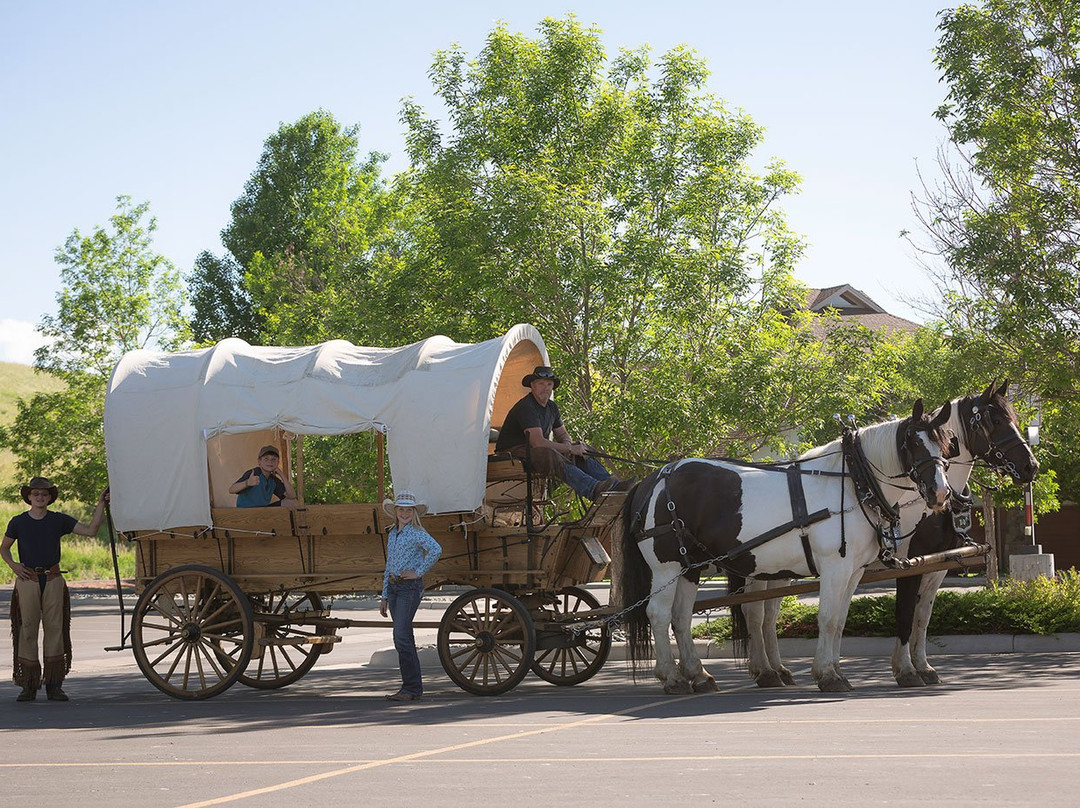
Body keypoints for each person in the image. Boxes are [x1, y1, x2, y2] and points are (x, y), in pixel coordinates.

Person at [1, 477, 109, 702]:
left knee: (55, 629)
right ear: (29, 496)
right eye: (36, 494)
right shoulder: (18, 522)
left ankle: (53, 684)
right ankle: (28, 684)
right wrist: (13, 565)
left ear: (50, 497)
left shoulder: (59, 520)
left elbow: (91, 531)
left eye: (44, 494)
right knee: (27, 629)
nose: (40, 497)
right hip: (28, 579)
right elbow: (4, 548)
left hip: (53, 579)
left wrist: (101, 504)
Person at [494, 365, 628, 500]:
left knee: (581, 451)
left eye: (549, 384)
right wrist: (569, 448)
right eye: (541, 384)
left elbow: (563, 434)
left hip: (535, 452)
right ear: (532, 386)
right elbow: (537, 442)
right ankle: (593, 489)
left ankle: (614, 486)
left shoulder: (552, 407)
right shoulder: (526, 407)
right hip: (513, 452)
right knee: (551, 453)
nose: (545, 388)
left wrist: (570, 446)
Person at [379, 490, 442, 702]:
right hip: (394, 588)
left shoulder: (416, 532)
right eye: (401, 510)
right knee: (403, 636)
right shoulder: (393, 533)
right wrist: (384, 595)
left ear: (414, 512)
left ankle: (411, 688)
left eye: (408, 510)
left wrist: (419, 572)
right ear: (395, 511)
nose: (404, 513)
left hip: (409, 587)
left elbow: (436, 549)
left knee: (401, 637)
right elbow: (389, 565)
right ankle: (412, 687)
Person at [228, 445, 298, 508]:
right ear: (259, 461)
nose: (270, 461)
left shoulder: (273, 479)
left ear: (278, 462)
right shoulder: (254, 473)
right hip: (246, 512)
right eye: (266, 459)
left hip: (262, 511)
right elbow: (231, 490)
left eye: (273, 459)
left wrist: (281, 474)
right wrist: (247, 483)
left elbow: (292, 496)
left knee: (293, 502)